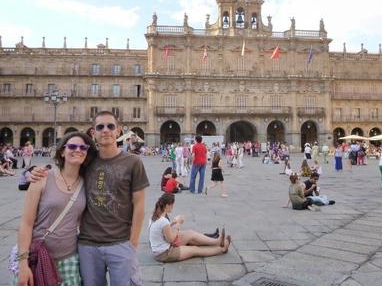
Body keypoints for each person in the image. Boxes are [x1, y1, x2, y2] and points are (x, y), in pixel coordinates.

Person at [32, 111, 150, 286]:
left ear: (118, 131)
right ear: (93, 133)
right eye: (100, 127)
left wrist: (133, 242)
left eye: (110, 126)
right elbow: (64, 172)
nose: (105, 130)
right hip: (88, 245)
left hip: (121, 242)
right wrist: (36, 172)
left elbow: (139, 203)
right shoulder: (85, 160)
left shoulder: (133, 162)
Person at [14, 132, 97, 286]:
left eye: (83, 147)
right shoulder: (42, 178)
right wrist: (23, 263)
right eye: (72, 146)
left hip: (69, 260)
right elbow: (26, 223)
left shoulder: (87, 183)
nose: (77, 150)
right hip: (37, 258)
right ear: (62, 151)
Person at [148, 193, 231, 262]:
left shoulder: (155, 215)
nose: (173, 207)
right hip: (165, 253)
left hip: (163, 246)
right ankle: (222, 249)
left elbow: (162, 229)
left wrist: (173, 222)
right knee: (195, 250)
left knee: (190, 233)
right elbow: (171, 239)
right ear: (167, 206)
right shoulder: (163, 221)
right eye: (172, 205)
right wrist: (178, 224)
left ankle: (217, 241)